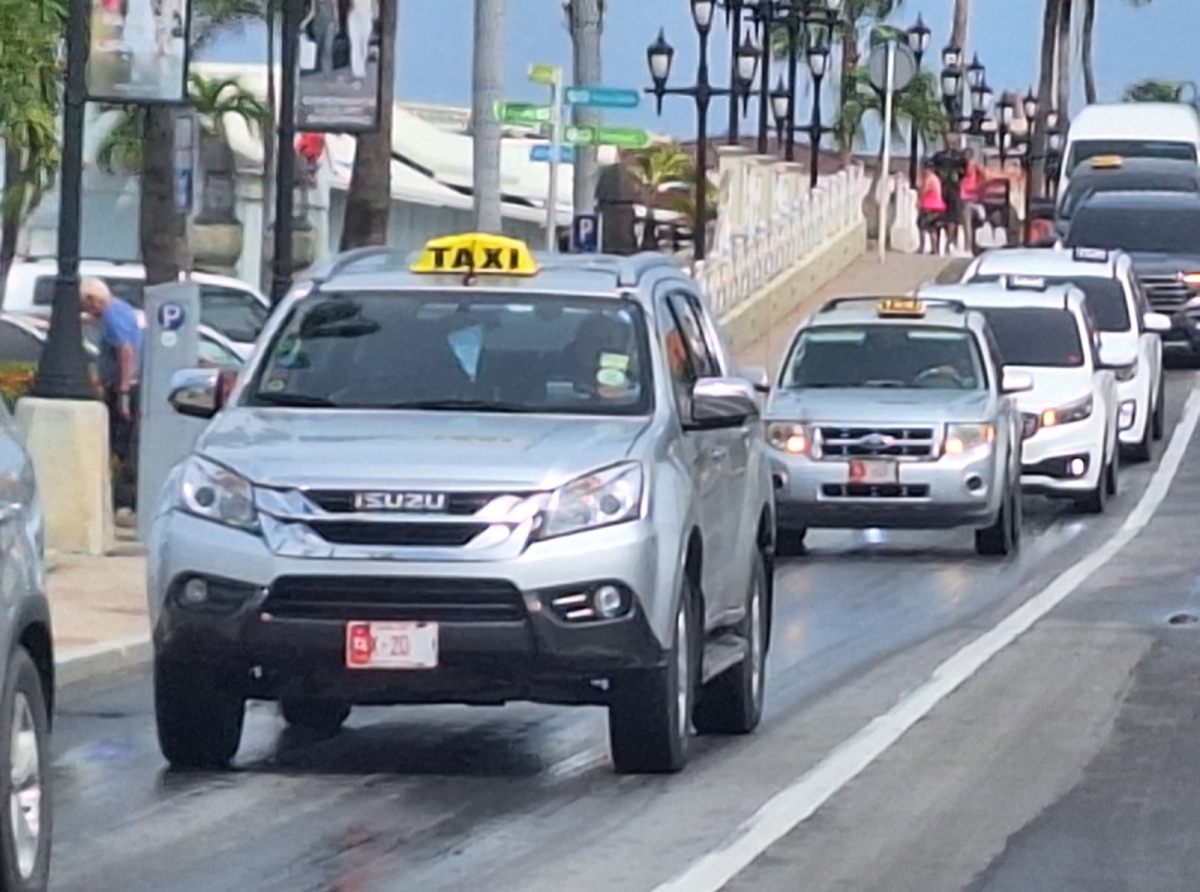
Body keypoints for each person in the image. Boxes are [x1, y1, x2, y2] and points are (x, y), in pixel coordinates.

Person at [80, 277, 144, 516]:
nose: (89, 312)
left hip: (123, 388)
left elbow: (125, 351)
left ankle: (124, 499)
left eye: (87, 306)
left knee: (122, 444)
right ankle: (124, 497)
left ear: (93, 300)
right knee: (125, 442)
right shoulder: (122, 310)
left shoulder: (112, 315)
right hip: (125, 386)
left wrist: (124, 389)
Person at [917, 159, 947, 255]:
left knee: (922, 226)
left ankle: (922, 248)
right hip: (938, 207)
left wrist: (919, 196)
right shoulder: (936, 178)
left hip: (929, 206)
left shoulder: (929, 178)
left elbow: (924, 190)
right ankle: (934, 249)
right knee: (932, 228)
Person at [346, 0, 374, 83]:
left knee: (362, 46)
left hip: (365, 17)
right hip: (356, 18)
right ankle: (358, 72)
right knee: (356, 46)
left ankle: (360, 70)